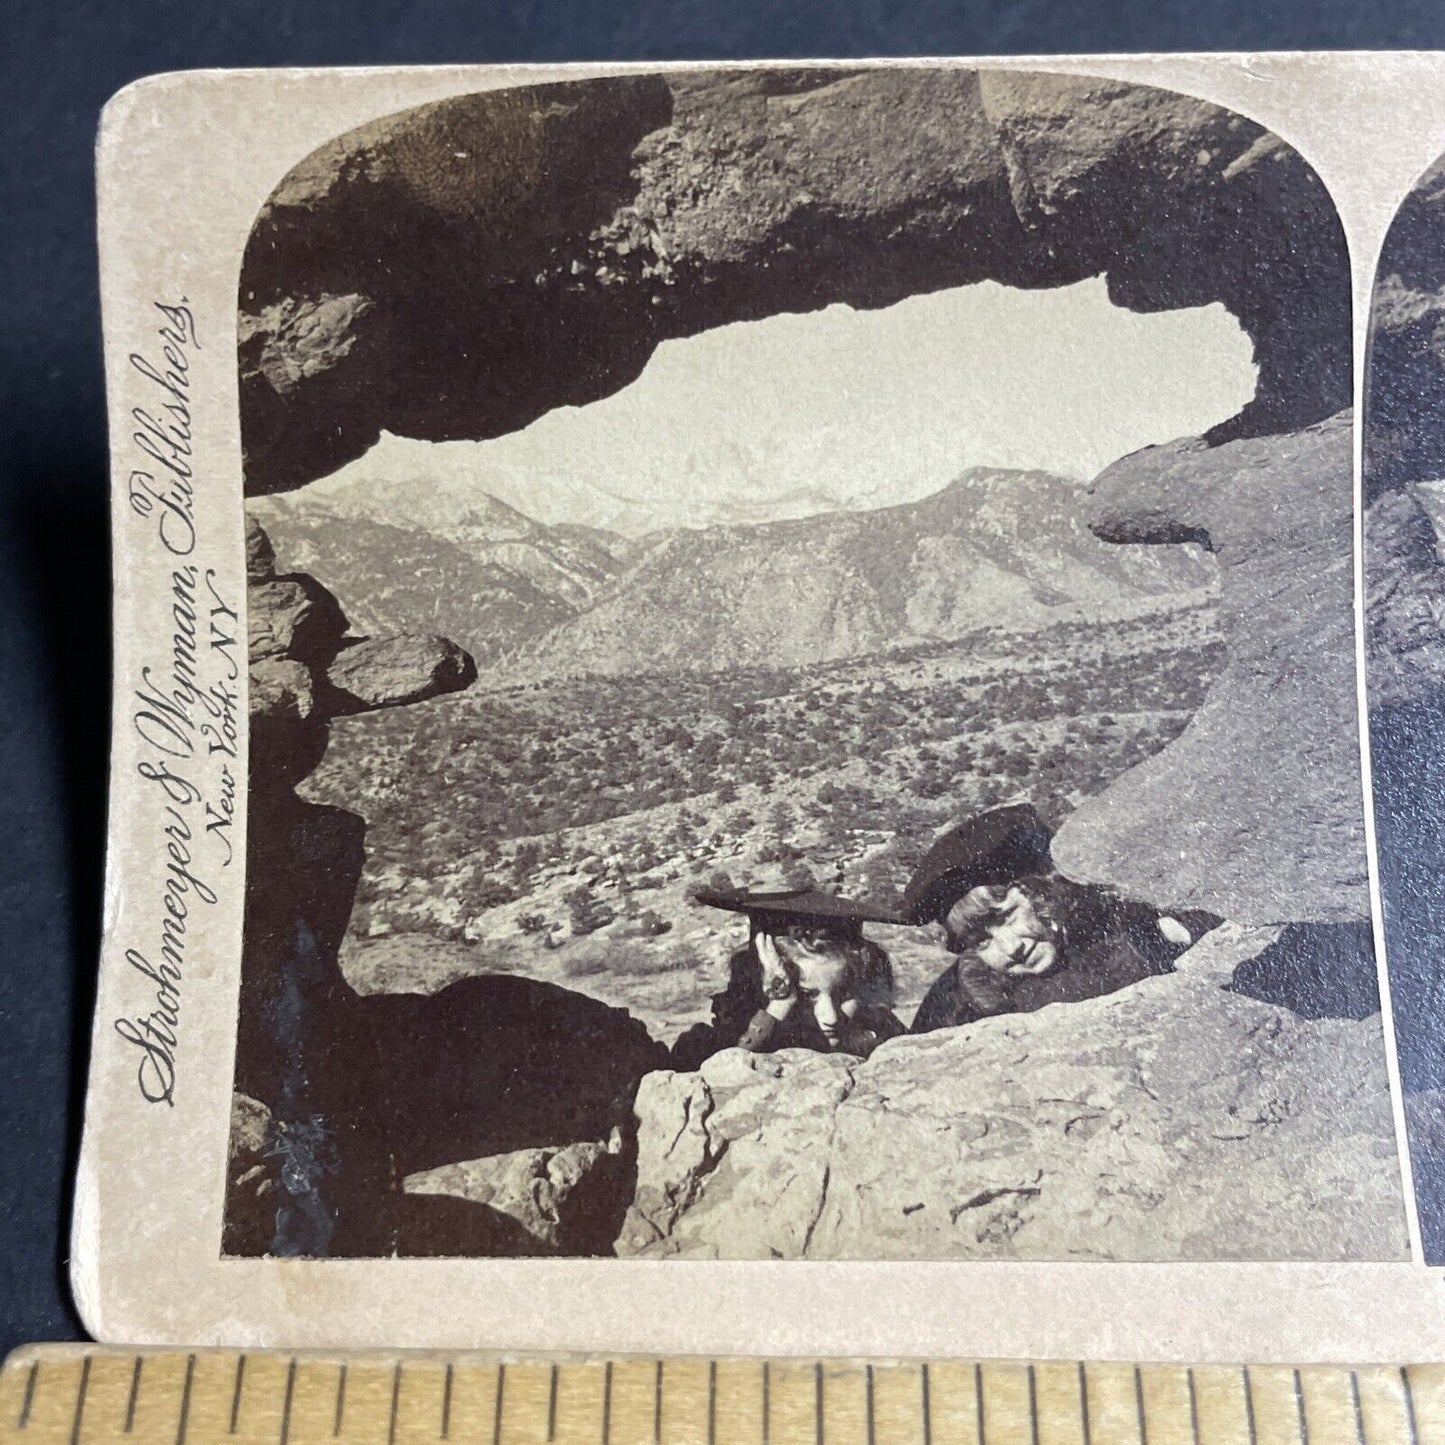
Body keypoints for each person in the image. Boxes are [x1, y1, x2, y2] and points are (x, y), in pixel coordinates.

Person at [903, 804, 1217, 1035]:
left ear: (1041, 893)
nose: (1011, 947)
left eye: (1008, 916)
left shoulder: (1125, 919)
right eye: (981, 941)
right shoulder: (957, 1006)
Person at [671, 885, 908, 1068]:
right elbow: (728, 1067)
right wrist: (781, 1003)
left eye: (844, 994)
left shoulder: (886, 1038)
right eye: (807, 996)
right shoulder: (703, 1047)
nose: (831, 1018)